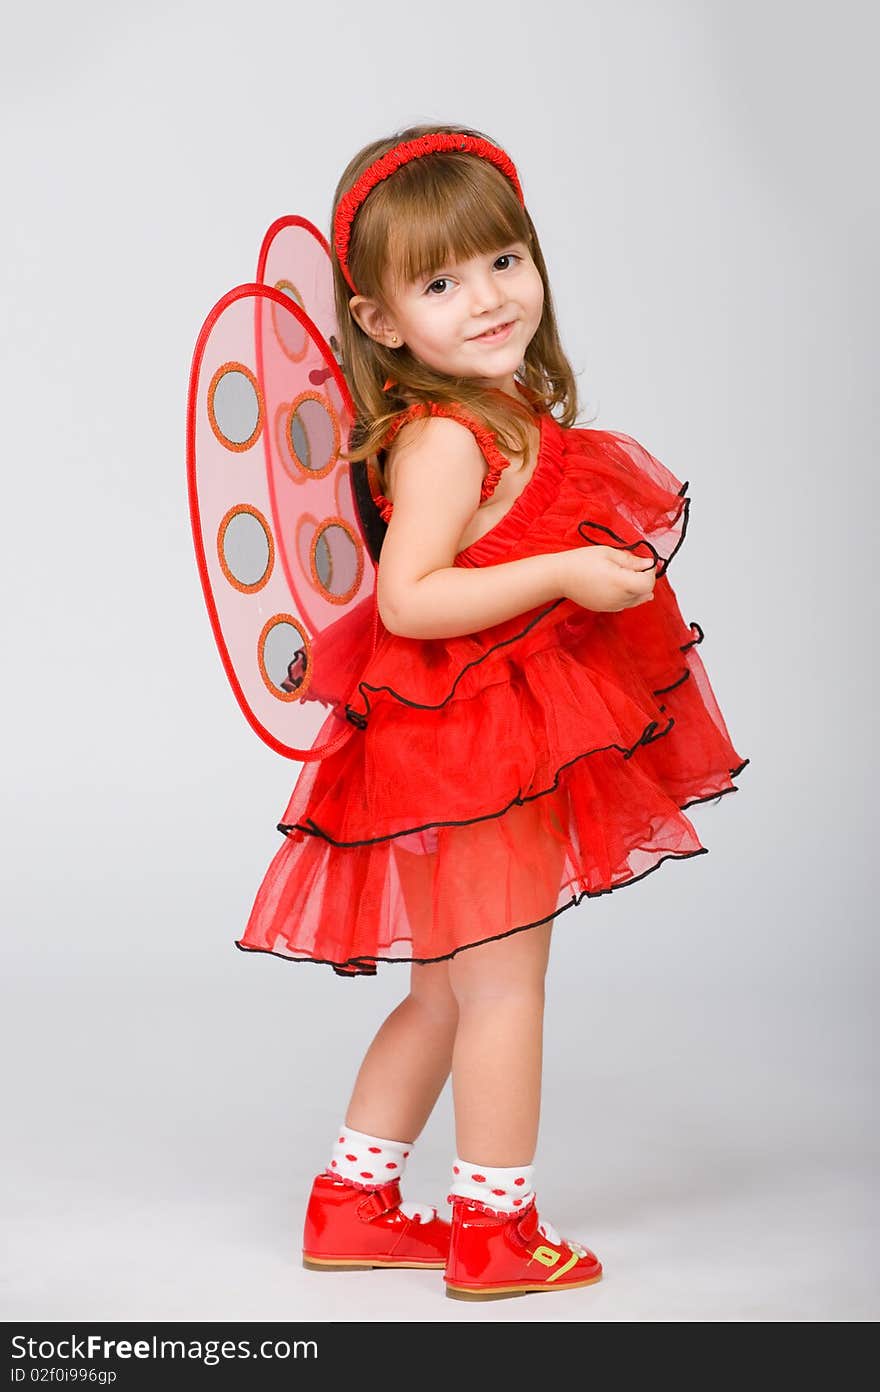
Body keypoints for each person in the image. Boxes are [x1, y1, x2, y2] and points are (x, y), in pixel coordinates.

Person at [236, 124, 749, 1300]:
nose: (484, 299)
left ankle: (353, 1202)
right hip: (478, 748)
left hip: (462, 741)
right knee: (504, 988)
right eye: (439, 282)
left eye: (503, 261)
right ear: (377, 323)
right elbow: (411, 600)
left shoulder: (495, 406)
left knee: (443, 985)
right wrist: (566, 576)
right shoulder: (445, 440)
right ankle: (494, 1226)